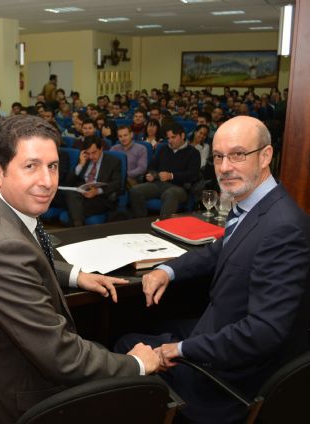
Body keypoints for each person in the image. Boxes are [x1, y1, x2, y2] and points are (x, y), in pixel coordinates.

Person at [0, 114, 160, 424]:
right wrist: (136, 364)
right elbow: (62, 357)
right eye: (31, 166)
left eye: (52, 166)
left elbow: (28, 258)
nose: (47, 181)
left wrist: (75, 275)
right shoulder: (2, 249)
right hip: (8, 400)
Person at [115, 116, 310, 424]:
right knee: (153, 320)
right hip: (219, 326)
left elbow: (263, 333)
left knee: (125, 346)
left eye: (238, 154)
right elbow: (219, 250)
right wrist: (167, 270)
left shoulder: (284, 228)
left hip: (229, 378)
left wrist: (180, 349)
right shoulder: (254, 203)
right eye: (218, 156)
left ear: (266, 156)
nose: (224, 167)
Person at [128, 122, 200, 218]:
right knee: (135, 190)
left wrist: (172, 176)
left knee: (170, 194)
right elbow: (152, 166)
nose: (170, 141)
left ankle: (163, 224)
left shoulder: (193, 153)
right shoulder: (163, 149)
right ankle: (141, 221)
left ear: (182, 136)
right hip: (158, 183)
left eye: (173, 137)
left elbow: (193, 175)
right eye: (168, 138)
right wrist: (151, 174)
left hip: (180, 187)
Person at [64, 136, 121, 227]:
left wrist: (97, 191)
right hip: (82, 195)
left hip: (100, 197)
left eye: (94, 153)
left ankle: (77, 225)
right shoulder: (84, 160)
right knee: (70, 195)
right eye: (88, 153)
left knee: (73, 206)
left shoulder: (113, 161)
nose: (91, 157)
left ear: (101, 148)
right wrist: (80, 165)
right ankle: (78, 226)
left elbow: (117, 183)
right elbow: (68, 182)